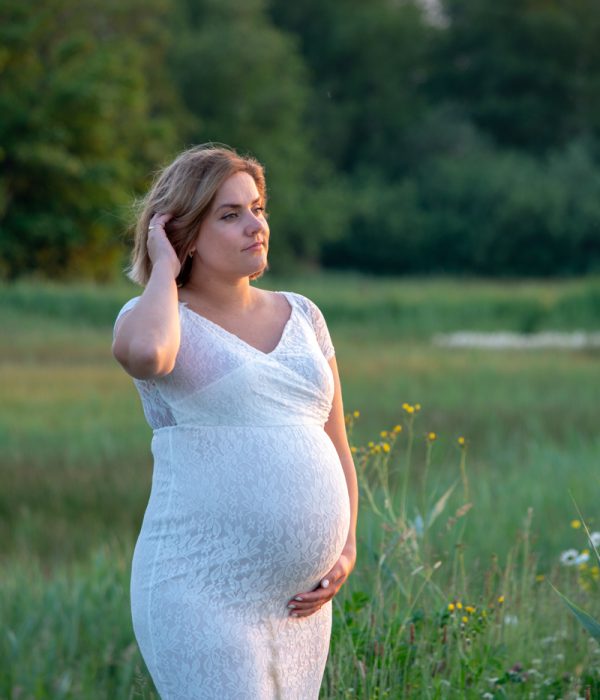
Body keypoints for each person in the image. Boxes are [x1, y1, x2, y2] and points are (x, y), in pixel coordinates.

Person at [112, 144, 358, 699]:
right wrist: (163, 268)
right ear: (185, 233)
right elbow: (149, 356)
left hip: (299, 606)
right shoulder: (152, 317)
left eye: (258, 208)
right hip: (200, 588)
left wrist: (347, 547)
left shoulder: (304, 315)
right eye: (230, 215)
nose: (256, 225)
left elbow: (336, 442)